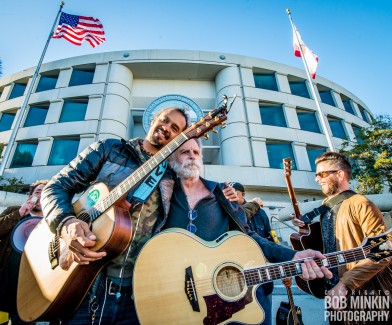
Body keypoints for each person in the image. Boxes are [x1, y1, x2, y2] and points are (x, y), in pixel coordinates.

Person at [42, 106, 331, 324]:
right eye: (164, 120)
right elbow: (55, 187)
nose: (167, 127)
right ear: (153, 119)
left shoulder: (175, 177)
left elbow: (240, 232)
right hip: (84, 283)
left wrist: (290, 255)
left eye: (176, 128)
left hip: (139, 293)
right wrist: (66, 223)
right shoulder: (109, 149)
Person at [291, 151, 392, 324]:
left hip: (364, 295)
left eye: (322, 174)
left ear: (340, 174)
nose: (317, 179)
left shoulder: (360, 203)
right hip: (335, 296)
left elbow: (384, 251)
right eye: (316, 175)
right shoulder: (326, 208)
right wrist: (307, 230)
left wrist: (345, 284)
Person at [0, 180, 49, 324]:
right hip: (4, 280)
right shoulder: (13, 210)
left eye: (46, 193)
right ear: (30, 196)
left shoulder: (54, 220)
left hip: (29, 289)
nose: (41, 196)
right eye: (38, 192)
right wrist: (19, 214)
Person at [229, 182, 274, 325]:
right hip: (238, 274)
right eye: (231, 192)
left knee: (263, 316)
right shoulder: (229, 211)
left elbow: (269, 237)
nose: (233, 194)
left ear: (243, 195)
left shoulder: (261, 213)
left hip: (262, 272)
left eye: (236, 192)